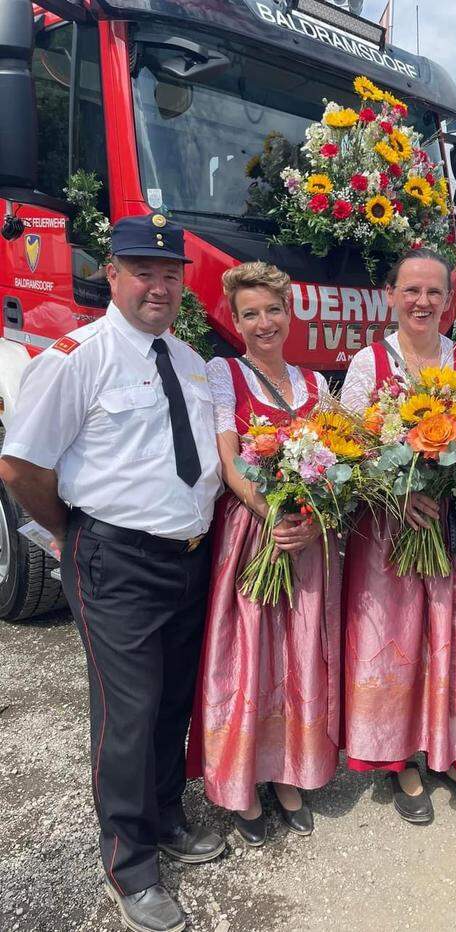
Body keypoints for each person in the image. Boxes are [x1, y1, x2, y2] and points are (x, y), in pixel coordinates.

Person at [0, 215, 224, 932]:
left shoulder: (188, 360)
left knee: (170, 704)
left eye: (169, 274)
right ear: (114, 277)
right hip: (115, 560)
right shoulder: (77, 356)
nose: (158, 285)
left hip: (188, 559)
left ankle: (165, 819)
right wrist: (71, 534)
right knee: (126, 716)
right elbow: (22, 466)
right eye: (143, 271)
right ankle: (130, 867)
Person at [186, 262, 340, 846]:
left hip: (303, 535)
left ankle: (288, 774)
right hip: (254, 533)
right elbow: (229, 465)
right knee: (248, 655)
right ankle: (242, 781)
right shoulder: (224, 373)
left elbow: (334, 464)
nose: (264, 322)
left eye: (273, 309)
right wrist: (274, 511)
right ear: (236, 320)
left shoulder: (315, 383)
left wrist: (308, 513)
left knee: (298, 653)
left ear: (290, 312)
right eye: (250, 313)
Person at [340, 248, 456, 824]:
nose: (423, 302)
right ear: (390, 295)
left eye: (434, 291)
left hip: (450, 530)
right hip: (389, 534)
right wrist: (399, 492)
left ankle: (454, 754)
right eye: (411, 290)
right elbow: (353, 452)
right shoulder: (367, 365)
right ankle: (398, 756)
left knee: (453, 638)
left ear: (449, 297)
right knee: (397, 639)